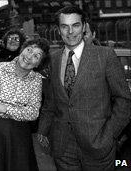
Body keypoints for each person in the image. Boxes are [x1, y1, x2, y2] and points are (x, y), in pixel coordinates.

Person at [37, 6, 131, 171]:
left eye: (76, 25)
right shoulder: (53, 58)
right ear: (59, 30)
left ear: (84, 26)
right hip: (63, 146)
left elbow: (123, 99)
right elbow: (51, 101)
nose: (70, 31)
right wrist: (43, 130)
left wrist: (110, 135)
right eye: (65, 26)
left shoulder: (105, 55)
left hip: (98, 144)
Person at [0, 38, 50, 171]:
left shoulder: (37, 79)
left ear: (38, 64)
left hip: (20, 136)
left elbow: (33, 113)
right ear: (22, 50)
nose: (29, 57)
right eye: (29, 50)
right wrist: (20, 110)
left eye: (36, 56)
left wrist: (4, 108)